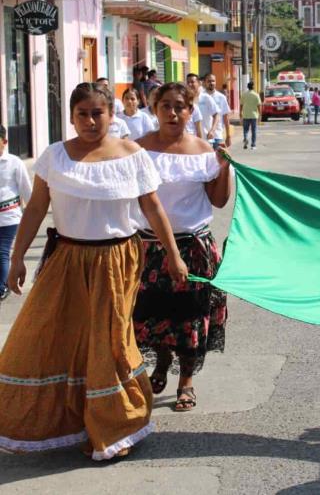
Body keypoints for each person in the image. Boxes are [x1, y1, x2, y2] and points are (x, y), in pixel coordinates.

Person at [0, 82, 187, 460]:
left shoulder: (132, 155)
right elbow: (35, 209)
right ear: (71, 117)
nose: (89, 121)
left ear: (111, 115)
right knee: (51, 335)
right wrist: (17, 257)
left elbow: (152, 208)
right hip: (67, 260)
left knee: (110, 342)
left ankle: (114, 426)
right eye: (82, 114)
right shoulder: (54, 157)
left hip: (117, 260)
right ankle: (63, 420)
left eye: (97, 113)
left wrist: (173, 254)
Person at [134, 82, 231, 412]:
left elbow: (218, 201)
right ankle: (160, 365)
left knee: (190, 317)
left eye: (180, 106)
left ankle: (186, 382)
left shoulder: (203, 150)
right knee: (154, 314)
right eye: (166, 106)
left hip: (194, 247)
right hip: (147, 247)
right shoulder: (137, 149)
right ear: (155, 109)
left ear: (191, 111)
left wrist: (224, 167)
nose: (173, 113)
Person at [0, 125, 31, 300]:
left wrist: (32, 211)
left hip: (9, 216)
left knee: (2, 251)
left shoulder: (14, 162)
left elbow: (26, 189)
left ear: (4, 142)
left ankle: (2, 287)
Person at [186, 74, 219, 142]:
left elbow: (216, 115)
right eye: (188, 82)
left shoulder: (206, 98)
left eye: (192, 82)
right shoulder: (185, 100)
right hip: (191, 140)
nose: (190, 84)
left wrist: (212, 131)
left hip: (206, 139)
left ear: (199, 83)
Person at [204, 73, 232, 149]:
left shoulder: (221, 97)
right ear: (205, 82)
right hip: (204, 136)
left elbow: (226, 117)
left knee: (218, 160)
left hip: (217, 136)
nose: (211, 83)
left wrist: (228, 136)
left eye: (213, 81)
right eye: (209, 81)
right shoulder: (200, 97)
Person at [241, 81, 262, 150]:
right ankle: (253, 145)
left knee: (245, 130)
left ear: (247, 87)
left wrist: (240, 113)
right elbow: (259, 106)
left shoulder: (243, 94)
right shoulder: (256, 95)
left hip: (246, 115)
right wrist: (260, 115)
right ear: (253, 87)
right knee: (254, 130)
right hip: (254, 115)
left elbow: (241, 105)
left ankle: (246, 139)